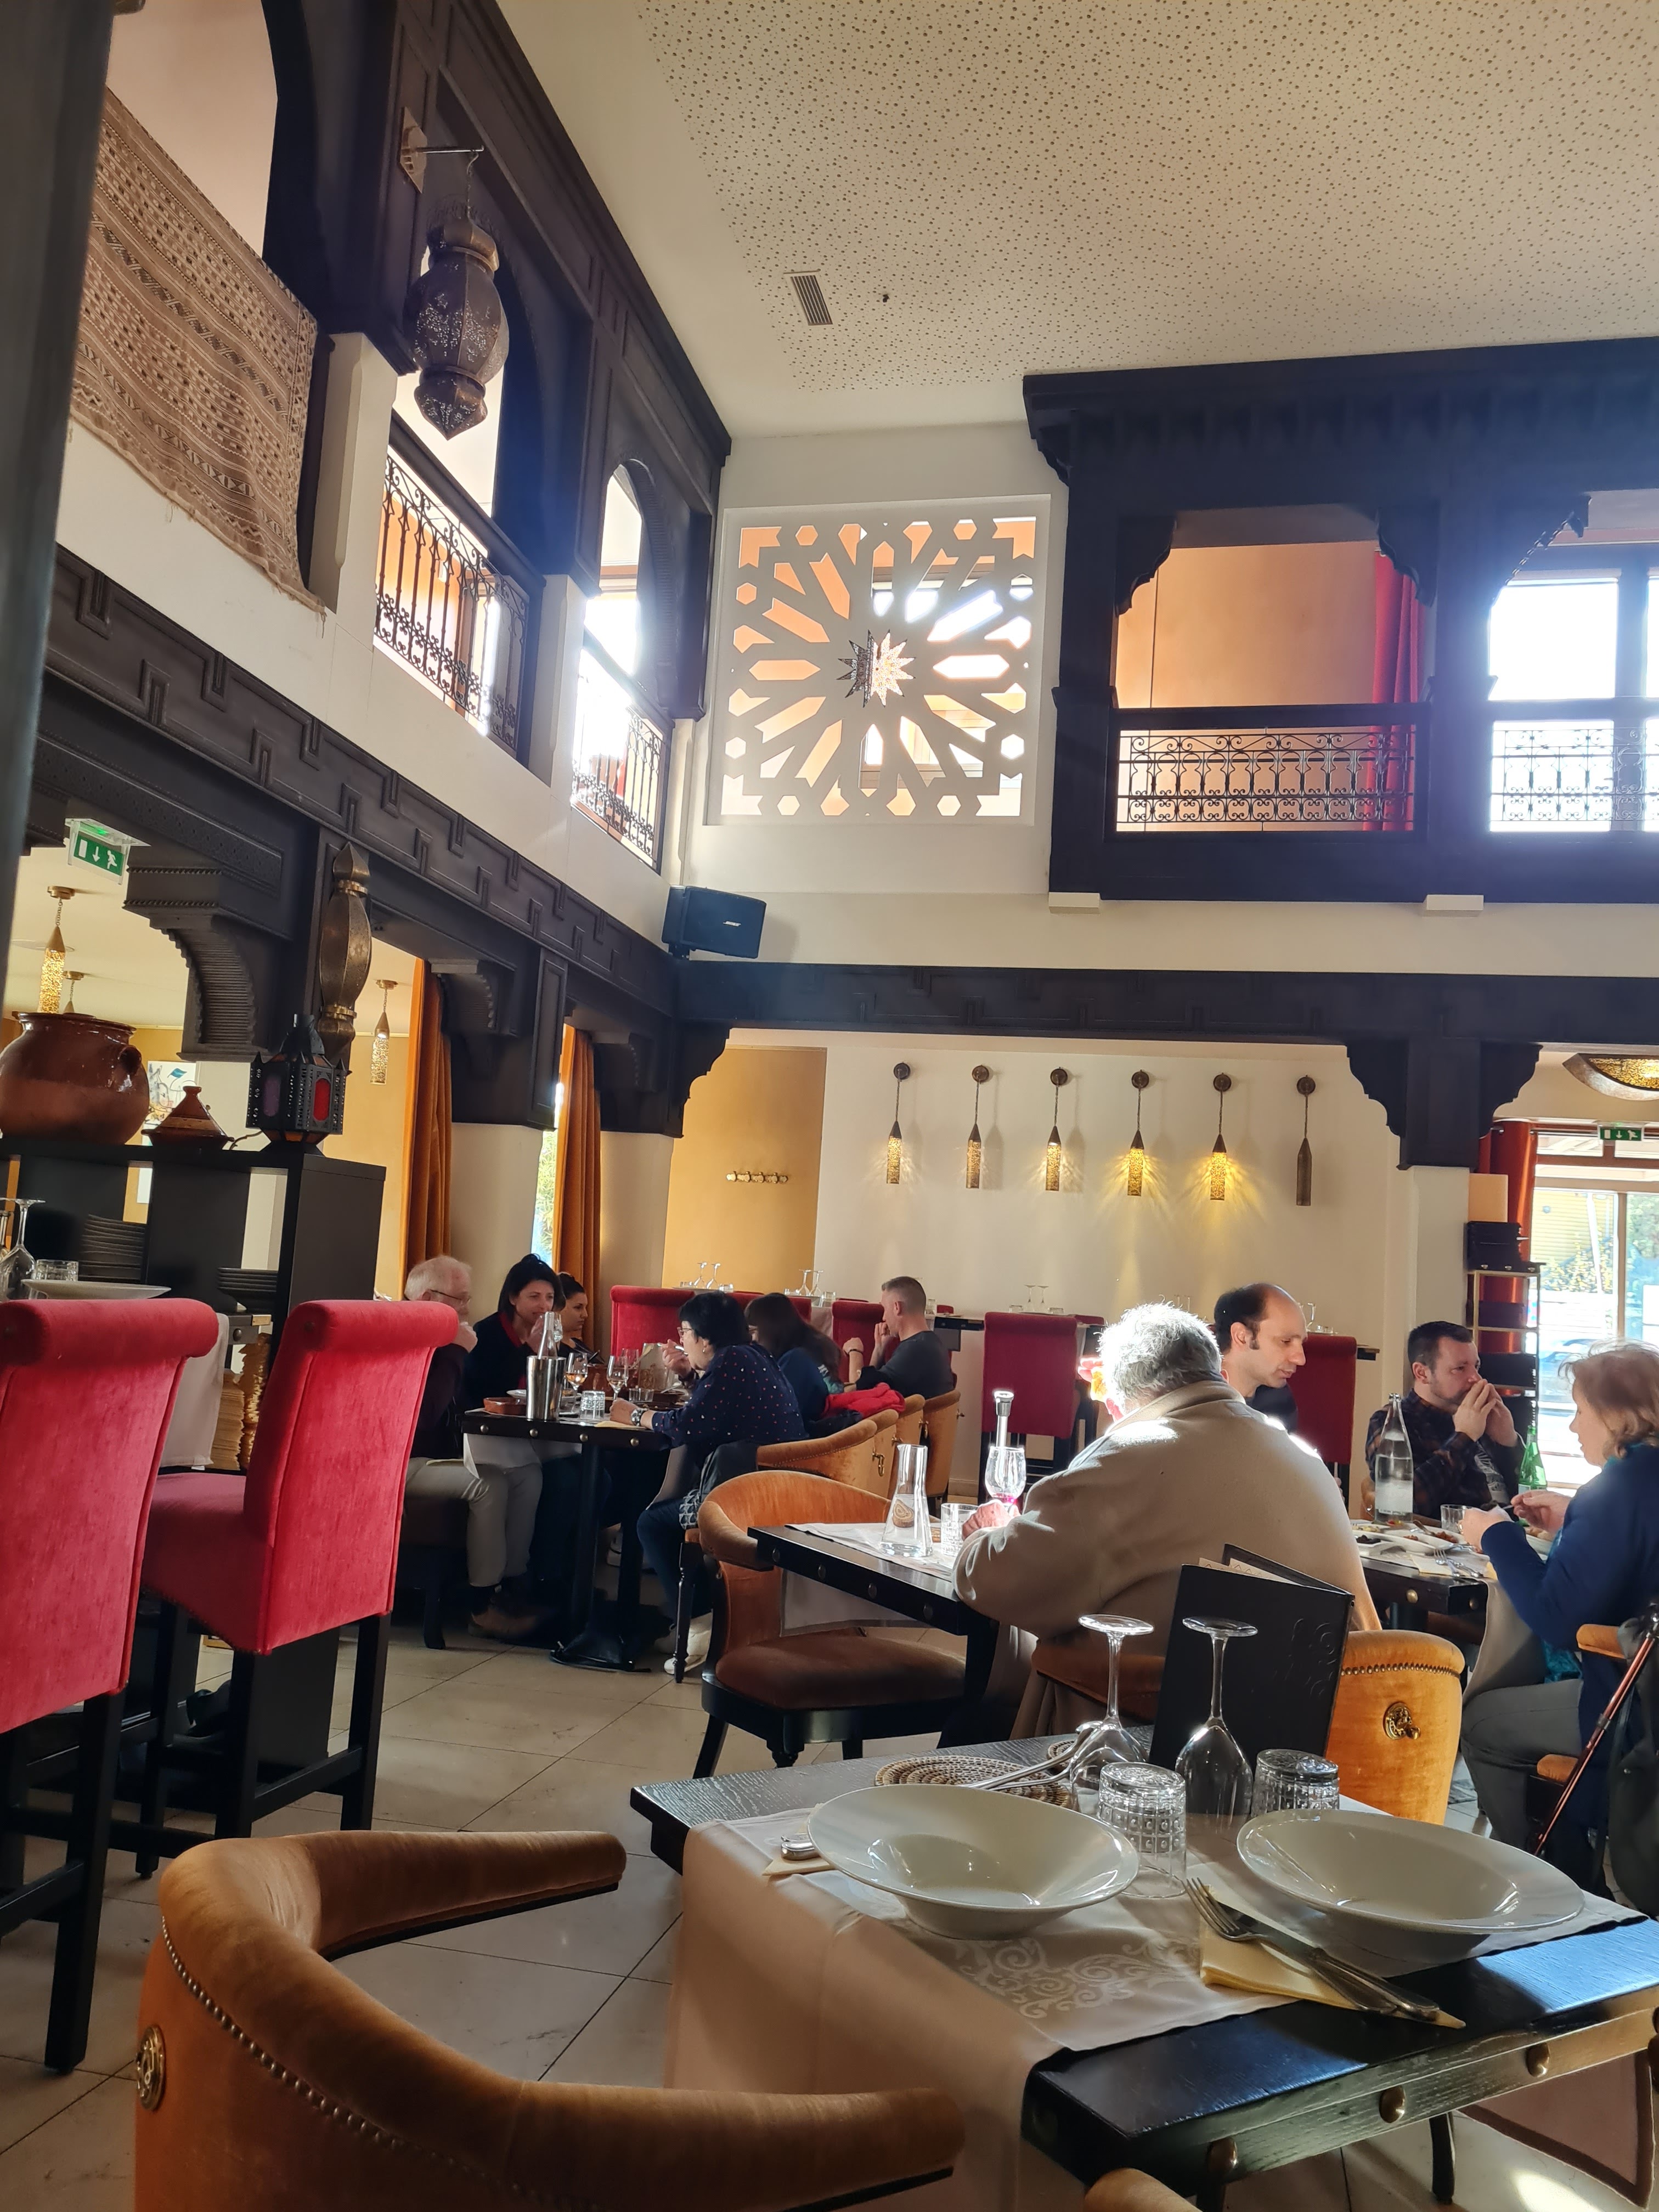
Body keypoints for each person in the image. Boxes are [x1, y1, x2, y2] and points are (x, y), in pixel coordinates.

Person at [953, 1300, 1379, 1734]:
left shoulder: (1126, 1459)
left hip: (1145, 1746)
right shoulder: (1307, 1461)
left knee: (977, 1716)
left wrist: (984, 1536)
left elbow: (997, 1582)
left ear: (1119, 1400)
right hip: (1321, 1743)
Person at [1460, 1343, 1659, 1848]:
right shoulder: (1637, 1484)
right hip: (1647, 1692)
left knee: (1481, 1721)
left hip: (1630, 1706)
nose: (1573, 1427)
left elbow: (1557, 1617)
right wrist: (1573, 1518)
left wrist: (1495, 1535)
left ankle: (1541, 1867)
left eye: (1579, 1411)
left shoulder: (1616, 1491)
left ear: (1616, 1416)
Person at [625, 1291, 805, 1669]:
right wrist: (689, 1375)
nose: (682, 1341)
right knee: (662, 1508)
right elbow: (715, 1411)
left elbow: (688, 1425)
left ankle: (699, 1624)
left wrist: (635, 1415)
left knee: (650, 1524)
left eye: (684, 1333)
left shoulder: (732, 1361)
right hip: (776, 1483)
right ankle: (693, 1619)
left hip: (749, 1492)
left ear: (705, 1338)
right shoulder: (752, 1355)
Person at [400, 1256, 545, 1640]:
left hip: (440, 1453)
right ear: (428, 1298)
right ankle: (480, 1608)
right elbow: (424, 1416)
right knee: (488, 1483)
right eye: (460, 1299)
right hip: (399, 1461)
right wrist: (456, 1352)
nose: (466, 1309)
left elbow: (459, 1404)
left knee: (527, 1474)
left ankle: (509, 1586)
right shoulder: (407, 1337)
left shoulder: (442, 1337)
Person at [1364, 1321, 1521, 1517]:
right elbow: (1401, 1504)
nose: (1476, 1378)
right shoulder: (1392, 1422)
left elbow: (1530, 1496)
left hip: (1514, 1528)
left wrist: (1509, 1441)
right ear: (1422, 1373)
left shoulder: (1481, 1416)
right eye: (1460, 1368)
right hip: (1458, 1534)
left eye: (1476, 1366)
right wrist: (1465, 1437)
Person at [462, 1254, 558, 1402]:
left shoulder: (547, 1335)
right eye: (534, 1297)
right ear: (513, 1298)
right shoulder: (487, 1332)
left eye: (550, 1297)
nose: (544, 1305)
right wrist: (528, 1350)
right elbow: (488, 1391)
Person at [1213, 1282, 1305, 1430]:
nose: (1301, 1360)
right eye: (1286, 1341)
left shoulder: (1279, 1399)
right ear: (1242, 1337)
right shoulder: (1191, 1400)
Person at [746, 1291, 841, 1425]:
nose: (751, 1341)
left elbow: (770, 1415)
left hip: (806, 1434)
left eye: (753, 1332)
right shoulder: (816, 1349)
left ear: (771, 1330)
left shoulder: (795, 1362)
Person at [860, 1275, 955, 1401]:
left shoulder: (914, 1349)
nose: (884, 1317)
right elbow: (879, 1382)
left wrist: (855, 1352)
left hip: (912, 1415)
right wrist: (880, 1347)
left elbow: (863, 1391)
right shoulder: (933, 1342)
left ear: (897, 1308)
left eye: (885, 1309)